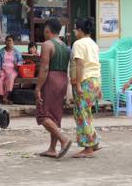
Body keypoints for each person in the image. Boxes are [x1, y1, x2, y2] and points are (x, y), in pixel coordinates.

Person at [35, 18, 72, 159]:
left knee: (43, 115)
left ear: (47, 30)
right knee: (55, 115)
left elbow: (44, 68)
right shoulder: (64, 46)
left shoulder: (47, 45)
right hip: (63, 79)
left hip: (51, 80)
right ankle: (52, 148)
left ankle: (64, 139)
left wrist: (38, 87)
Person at [70, 18, 102, 159]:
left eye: (76, 29)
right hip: (95, 80)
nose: (74, 32)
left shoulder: (78, 44)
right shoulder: (94, 44)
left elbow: (80, 65)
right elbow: (96, 64)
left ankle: (88, 147)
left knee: (81, 113)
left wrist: (77, 84)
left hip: (85, 80)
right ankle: (93, 142)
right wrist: (99, 88)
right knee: (86, 112)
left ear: (80, 30)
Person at [0, 35, 23, 104]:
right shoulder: (1, 52)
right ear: (5, 42)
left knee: (10, 78)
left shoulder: (17, 52)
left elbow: (21, 61)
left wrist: (17, 65)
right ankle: (0, 97)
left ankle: (5, 97)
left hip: (13, 70)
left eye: (10, 41)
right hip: (3, 70)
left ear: (13, 42)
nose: (8, 42)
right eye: (7, 41)